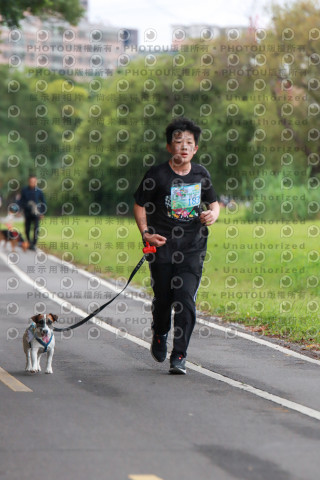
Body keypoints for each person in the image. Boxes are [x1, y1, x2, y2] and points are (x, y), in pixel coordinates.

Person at [133, 117, 220, 374]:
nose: (183, 147)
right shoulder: (156, 175)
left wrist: (213, 214)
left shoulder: (201, 174)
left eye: (189, 143)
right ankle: (160, 333)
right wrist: (146, 232)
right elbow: (139, 204)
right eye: (178, 142)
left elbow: (213, 203)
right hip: (162, 247)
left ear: (195, 149)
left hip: (193, 247)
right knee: (164, 299)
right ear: (169, 147)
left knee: (185, 299)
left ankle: (179, 354)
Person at [18, 175, 46, 250]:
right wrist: (20, 210)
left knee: (36, 228)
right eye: (31, 182)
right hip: (27, 212)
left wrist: (42, 212)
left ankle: (33, 244)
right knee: (27, 229)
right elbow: (21, 201)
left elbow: (43, 202)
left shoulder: (39, 191)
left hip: (36, 213)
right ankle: (29, 242)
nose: (32, 183)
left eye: (34, 182)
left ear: (36, 182)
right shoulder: (24, 190)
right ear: (29, 182)